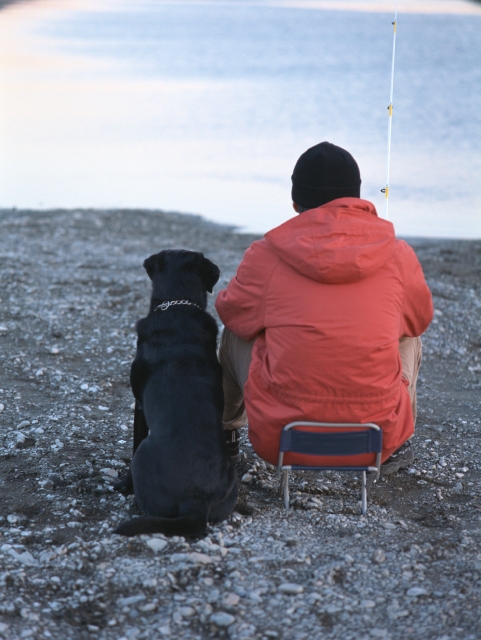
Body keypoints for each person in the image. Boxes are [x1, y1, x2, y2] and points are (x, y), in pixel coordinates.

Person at [215, 142, 433, 474]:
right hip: (376, 440)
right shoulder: (397, 253)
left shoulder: (266, 254)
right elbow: (420, 319)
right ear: (358, 200)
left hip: (282, 440)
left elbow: (231, 311)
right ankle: (398, 444)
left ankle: (224, 437)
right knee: (408, 335)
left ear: (295, 203)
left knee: (237, 330)